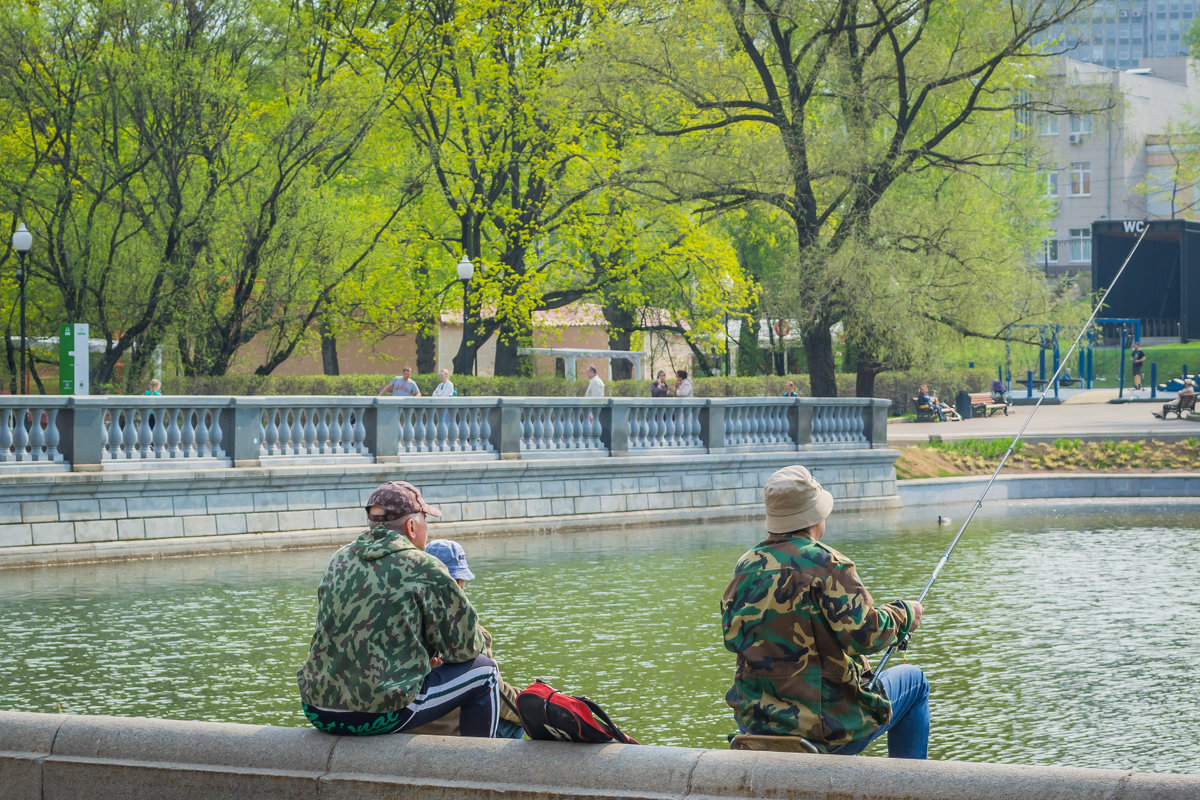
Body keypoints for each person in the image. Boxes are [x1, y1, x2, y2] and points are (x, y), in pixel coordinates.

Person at [721, 465, 929, 758]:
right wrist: (905, 613)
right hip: (825, 731)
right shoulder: (828, 564)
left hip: (757, 727)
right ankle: (915, 786)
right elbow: (868, 633)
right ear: (816, 518)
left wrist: (852, 661)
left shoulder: (746, 566)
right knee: (915, 680)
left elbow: (740, 637)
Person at [297, 481, 500, 737]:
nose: (428, 527)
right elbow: (468, 648)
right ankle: (480, 767)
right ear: (412, 526)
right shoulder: (424, 565)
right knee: (485, 672)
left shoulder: (338, 559)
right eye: (426, 518)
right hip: (379, 716)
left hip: (318, 711)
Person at [413, 539, 525, 739]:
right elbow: (497, 694)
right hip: (455, 732)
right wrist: (533, 702)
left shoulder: (405, 628)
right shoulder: (470, 635)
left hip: (409, 726)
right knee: (516, 721)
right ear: (457, 584)